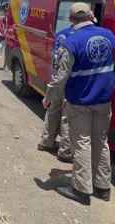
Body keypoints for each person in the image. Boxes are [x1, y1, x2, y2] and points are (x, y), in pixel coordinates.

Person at [46, 2, 115, 205]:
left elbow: (60, 76)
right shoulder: (108, 36)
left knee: (82, 143)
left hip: (80, 100)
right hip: (103, 99)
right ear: (91, 15)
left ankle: (81, 189)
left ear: (70, 20)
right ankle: (103, 187)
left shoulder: (71, 41)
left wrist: (49, 96)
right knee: (101, 141)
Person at [37, 23, 75, 163]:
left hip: (55, 77)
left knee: (53, 111)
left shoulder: (61, 33)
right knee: (67, 117)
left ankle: (46, 141)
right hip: (67, 81)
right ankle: (65, 152)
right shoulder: (77, 37)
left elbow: (55, 56)